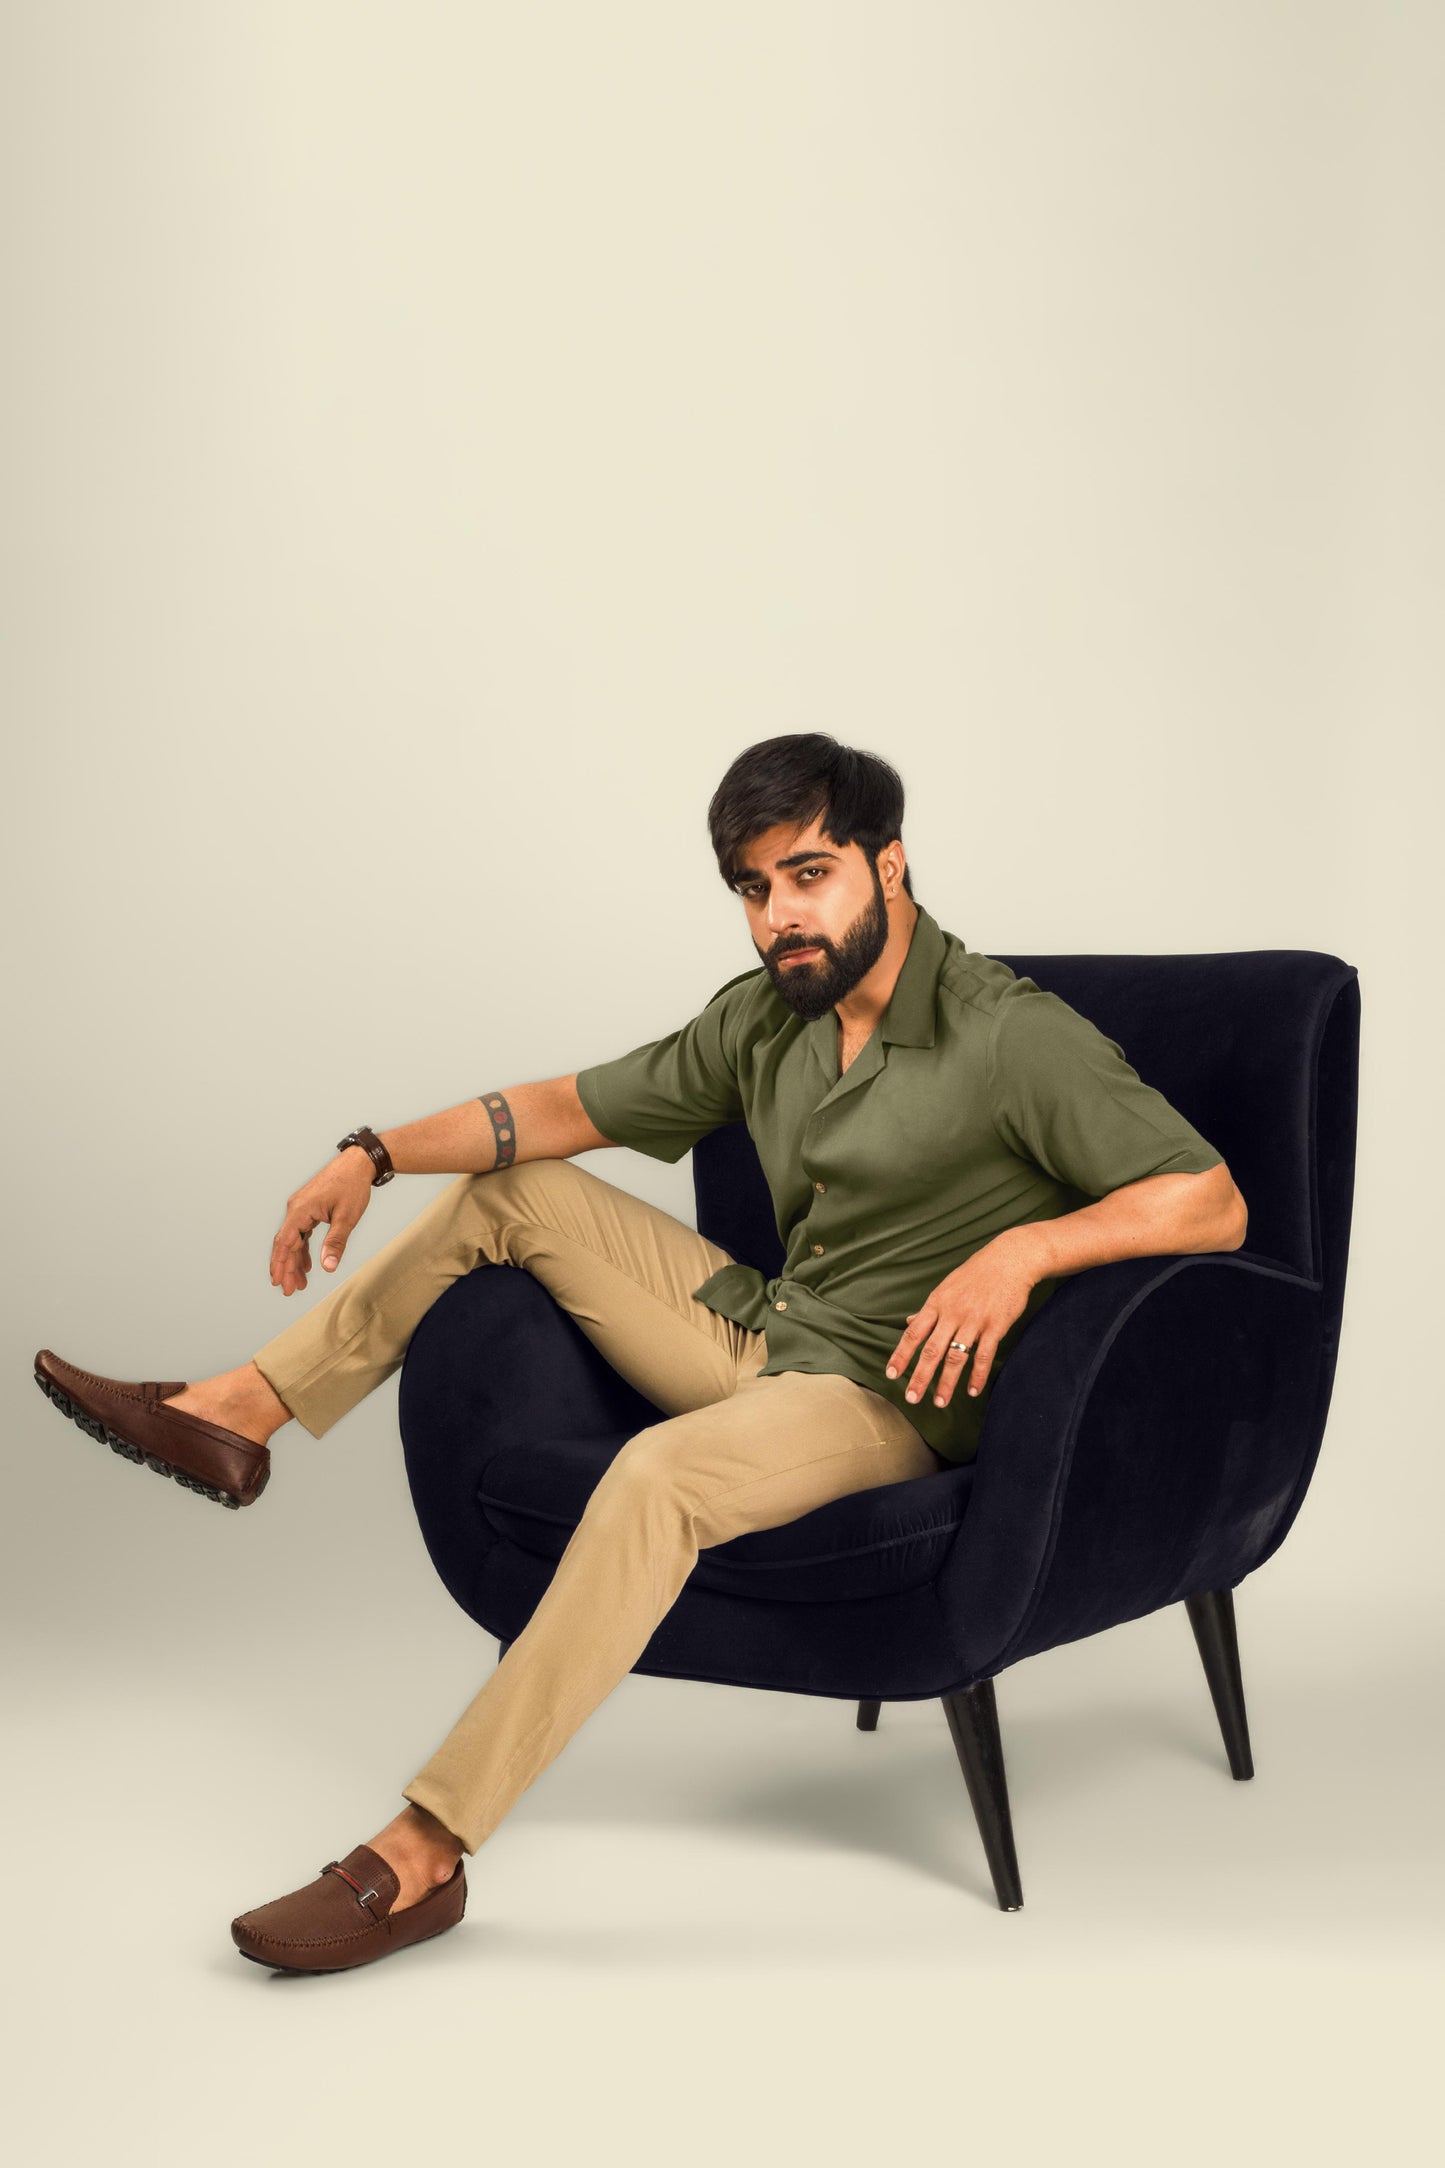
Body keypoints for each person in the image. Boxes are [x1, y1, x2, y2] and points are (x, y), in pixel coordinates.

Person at [34, 733, 1247, 1975]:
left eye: (809, 875)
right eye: (753, 888)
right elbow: (563, 1110)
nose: (779, 917)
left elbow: (1209, 1200)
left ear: (888, 866)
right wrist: (372, 1152)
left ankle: (424, 1850)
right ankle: (242, 1409)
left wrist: (1024, 1252)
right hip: (773, 1326)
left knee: (655, 1476)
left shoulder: (1008, 1034)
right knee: (512, 1191)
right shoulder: (771, 1015)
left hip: (884, 1398)